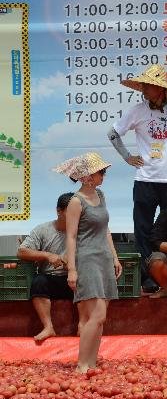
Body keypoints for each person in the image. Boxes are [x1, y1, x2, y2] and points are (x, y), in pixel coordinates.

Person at [107, 64, 167, 293]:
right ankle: (148, 277)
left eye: (147, 86)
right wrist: (127, 157)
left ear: (159, 88)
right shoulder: (137, 110)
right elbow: (113, 133)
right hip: (144, 180)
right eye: (142, 85)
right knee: (142, 229)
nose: (143, 89)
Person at [52, 152, 122, 374]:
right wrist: (71, 269)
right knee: (96, 315)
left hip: (103, 257)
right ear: (86, 176)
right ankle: (82, 363)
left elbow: (106, 229)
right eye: (100, 172)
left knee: (101, 318)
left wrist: (114, 255)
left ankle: (91, 362)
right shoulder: (75, 201)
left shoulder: (100, 195)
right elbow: (71, 237)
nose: (103, 175)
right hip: (87, 259)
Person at [17, 192, 75, 343]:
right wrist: (47, 256)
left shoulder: (82, 231)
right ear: (59, 211)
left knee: (88, 281)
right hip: (50, 279)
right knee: (39, 282)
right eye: (71, 211)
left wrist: (74, 263)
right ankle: (48, 327)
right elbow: (22, 251)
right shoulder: (43, 229)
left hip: (74, 278)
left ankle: (83, 326)